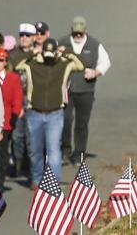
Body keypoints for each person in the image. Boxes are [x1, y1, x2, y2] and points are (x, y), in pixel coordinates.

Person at [13, 39, 83, 187]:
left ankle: (53, 183)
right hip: (34, 114)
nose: (49, 56)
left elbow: (81, 65)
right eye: (47, 52)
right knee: (35, 150)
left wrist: (67, 52)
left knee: (54, 151)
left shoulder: (63, 65)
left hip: (55, 114)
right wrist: (33, 52)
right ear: (43, 52)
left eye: (52, 52)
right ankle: (37, 179)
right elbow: (14, 64)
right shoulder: (32, 64)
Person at [60, 16, 111, 165]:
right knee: (65, 120)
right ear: (71, 30)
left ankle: (78, 154)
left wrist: (96, 72)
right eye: (75, 32)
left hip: (86, 90)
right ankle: (65, 149)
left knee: (82, 123)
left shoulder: (94, 44)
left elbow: (106, 62)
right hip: (66, 90)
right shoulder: (62, 42)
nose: (77, 35)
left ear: (85, 31)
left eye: (80, 33)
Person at [0, 47, 23, 189]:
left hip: (7, 121)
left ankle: (0, 181)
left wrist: (14, 116)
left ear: (6, 62)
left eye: (1, 60)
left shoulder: (13, 78)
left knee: (2, 153)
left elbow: (17, 98)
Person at [7, 22, 37, 178]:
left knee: (33, 137)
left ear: (34, 38)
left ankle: (32, 168)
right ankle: (17, 165)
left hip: (35, 101)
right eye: (22, 35)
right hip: (18, 100)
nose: (24, 38)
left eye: (28, 36)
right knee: (17, 136)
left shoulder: (39, 54)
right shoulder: (13, 55)